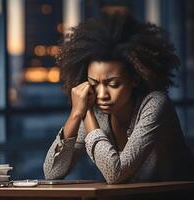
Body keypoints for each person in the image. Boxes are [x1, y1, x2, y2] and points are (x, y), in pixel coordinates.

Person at [43, 13, 194, 184]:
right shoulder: (96, 112)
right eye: (94, 83)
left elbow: (116, 173)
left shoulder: (155, 104)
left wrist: (87, 116)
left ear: (135, 79)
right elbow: (52, 172)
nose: (102, 95)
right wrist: (76, 114)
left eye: (113, 84)